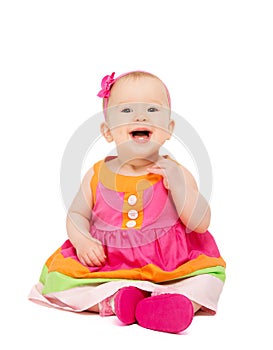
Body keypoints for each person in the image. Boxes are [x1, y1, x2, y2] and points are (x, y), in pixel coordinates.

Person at [29, 71, 226, 334]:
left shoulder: (176, 171)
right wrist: (83, 241)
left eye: (153, 109)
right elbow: (77, 214)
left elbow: (200, 224)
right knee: (64, 285)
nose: (140, 117)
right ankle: (117, 300)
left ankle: (171, 306)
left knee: (205, 282)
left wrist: (179, 186)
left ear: (169, 129)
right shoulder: (97, 173)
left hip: (172, 267)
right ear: (107, 131)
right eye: (127, 110)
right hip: (110, 265)